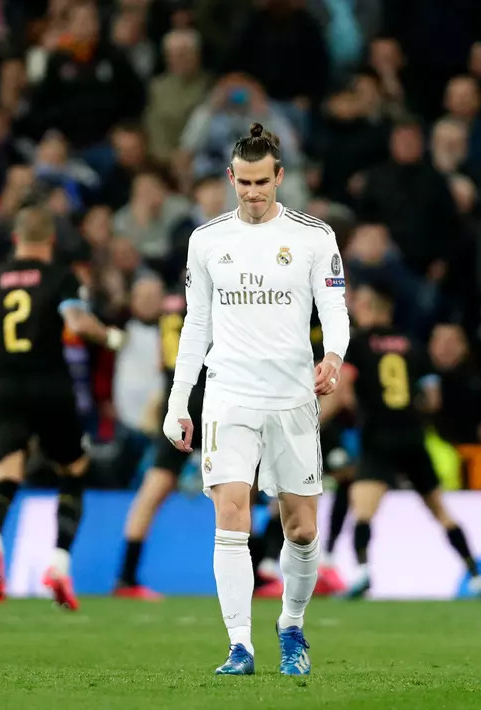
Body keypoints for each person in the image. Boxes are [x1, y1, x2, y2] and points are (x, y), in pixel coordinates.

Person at [163, 123, 350, 676]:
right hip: (229, 395)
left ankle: (290, 625)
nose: (252, 193)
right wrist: (179, 400)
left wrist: (333, 356)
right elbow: (196, 326)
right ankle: (239, 646)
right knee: (231, 513)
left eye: (261, 182)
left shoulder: (314, 237)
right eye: (243, 183)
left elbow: (334, 310)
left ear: (280, 177)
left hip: (292, 397)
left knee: (302, 531)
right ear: (230, 178)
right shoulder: (207, 240)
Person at [0, 204, 126, 611]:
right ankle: (58, 564)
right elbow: (78, 323)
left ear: (15, 239)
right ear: (50, 240)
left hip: (4, 387)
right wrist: (111, 338)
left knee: (6, 472)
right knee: (73, 470)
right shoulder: (59, 276)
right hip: (50, 386)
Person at [327, 283, 481, 599]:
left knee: (363, 510)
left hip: (378, 437)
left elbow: (343, 393)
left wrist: (323, 418)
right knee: (440, 511)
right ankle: (476, 576)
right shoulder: (413, 345)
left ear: (371, 308)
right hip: (413, 436)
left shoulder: (357, 344)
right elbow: (432, 399)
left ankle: (363, 572)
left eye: (359, 304)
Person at [113, 290, 206, 600]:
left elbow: (160, 360)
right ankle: (253, 575)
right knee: (241, 488)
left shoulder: (171, 307)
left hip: (176, 401)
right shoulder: (213, 295)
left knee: (152, 491)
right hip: (211, 399)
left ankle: (126, 577)